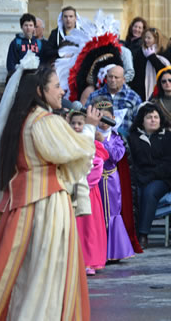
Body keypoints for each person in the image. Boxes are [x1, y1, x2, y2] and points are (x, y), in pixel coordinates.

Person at [0, 59, 100, 320]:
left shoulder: (21, 121)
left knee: (26, 274)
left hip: (22, 203)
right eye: (56, 86)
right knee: (47, 274)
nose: (62, 91)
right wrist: (89, 127)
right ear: (40, 91)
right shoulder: (43, 121)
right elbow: (74, 151)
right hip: (46, 206)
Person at [128, 102, 171, 249]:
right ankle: (131, 234)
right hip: (139, 177)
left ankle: (143, 234)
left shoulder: (167, 136)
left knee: (149, 192)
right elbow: (131, 162)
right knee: (135, 192)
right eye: (149, 117)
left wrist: (151, 175)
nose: (153, 120)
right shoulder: (133, 137)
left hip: (162, 179)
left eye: (156, 117)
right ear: (142, 121)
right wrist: (140, 176)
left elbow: (170, 164)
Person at [94, 98, 136, 261]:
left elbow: (117, 156)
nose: (104, 123)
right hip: (95, 179)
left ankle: (114, 252)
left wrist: (103, 141)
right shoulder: (90, 135)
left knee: (112, 212)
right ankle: (99, 250)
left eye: (107, 118)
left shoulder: (116, 137)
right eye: (100, 118)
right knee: (98, 212)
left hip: (111, 178)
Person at [70, 111, 109, 276]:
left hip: (89, 191)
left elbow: (97, 167)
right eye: (74, 123)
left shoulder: (94, 144)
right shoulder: (67, 142)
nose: (77, 127)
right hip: (74, 188)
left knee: (89, 229)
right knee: (76, 228)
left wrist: (80, 181)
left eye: (81, 123)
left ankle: (90, 260)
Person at [86, 65, 142, 137]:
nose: (113, 80)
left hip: (125, 140)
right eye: (110, 77)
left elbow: (139, 122)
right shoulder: (94, 95)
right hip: (98, 139)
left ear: (123, 79)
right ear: (106, 77)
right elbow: (86, 116)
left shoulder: (134, 97)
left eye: (116, 77)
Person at [130, 27, 171, 101]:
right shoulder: (141, 51)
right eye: (145, 37)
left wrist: (152, 57)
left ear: (156, 39)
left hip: (158, 86)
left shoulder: (163, 51)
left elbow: (164, 70)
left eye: (149, 38)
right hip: (141, 87)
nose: (146, 40)